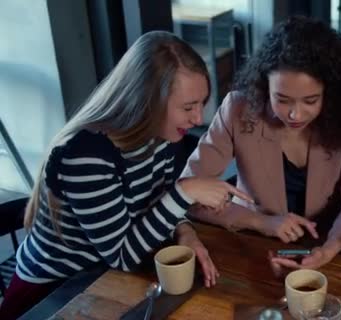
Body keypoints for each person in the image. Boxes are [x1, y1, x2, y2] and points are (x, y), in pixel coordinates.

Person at [0, 31, 252, 320]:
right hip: (51, 296)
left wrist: (186, 232)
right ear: (147, 101)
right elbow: (123, 255)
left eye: (201, 104)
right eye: (188, 107)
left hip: (103, 280)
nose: (198, 119)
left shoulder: (161, 137)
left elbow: (158, 207)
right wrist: (186, 192)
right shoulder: (86, 154)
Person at [181, 16, 341, 272]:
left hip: (330, 244)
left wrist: (331, 248)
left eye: (310, 101)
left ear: (330, 92)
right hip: (254, 240)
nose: (295, 115)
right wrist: (261, 222)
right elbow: (188, 193)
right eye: (282, 99)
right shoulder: (238, 110)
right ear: (263, 86)